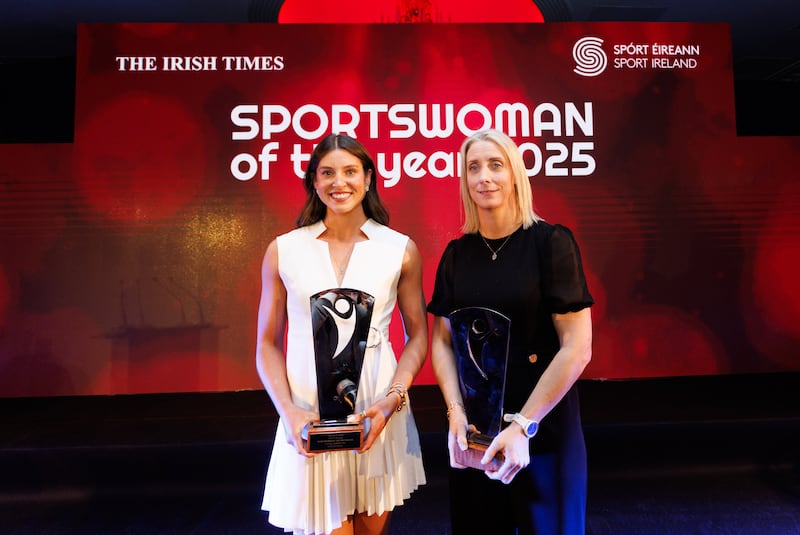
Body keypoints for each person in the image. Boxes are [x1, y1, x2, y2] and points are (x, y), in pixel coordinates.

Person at [256, 133, 428, 535]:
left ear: (368, 178)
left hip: (376, 413)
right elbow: (265, 343)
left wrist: (393, 398)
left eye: (350, 171)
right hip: (308, 417)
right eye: (327, 173)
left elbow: (418, 335)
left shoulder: (399, 248)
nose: (340, 182)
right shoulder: (283, 250)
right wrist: (288, 411)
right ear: (314, 182)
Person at [427, 129, 594, 534]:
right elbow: (443, 342)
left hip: (543, 430)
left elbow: (577, 348)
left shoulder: (551, 243)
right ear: (465, 180)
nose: (484, 176)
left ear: (515, 174)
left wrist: (522, 425)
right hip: (475, 434)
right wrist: (455, 414)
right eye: (474, 167)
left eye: (495, 165)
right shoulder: (456, 255)